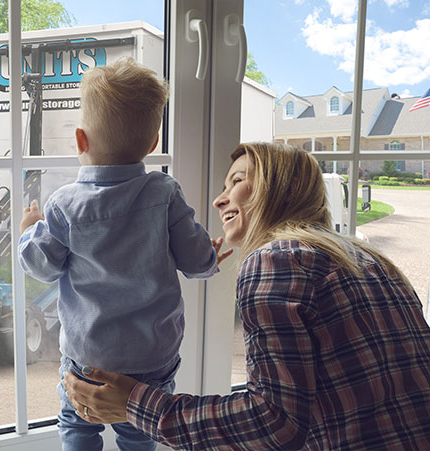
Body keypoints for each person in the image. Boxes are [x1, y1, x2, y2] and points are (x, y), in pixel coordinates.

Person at [64, 142, 430, 450]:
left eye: (237, 181)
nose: (218, 200)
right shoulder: (369, 259)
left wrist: (135, 405)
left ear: (280, 190)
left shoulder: (278, 260)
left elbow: (276, 423)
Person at [18, 57, 233, 451]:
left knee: (78, 426)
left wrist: (29, 230)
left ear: (81, 140)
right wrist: (211, 259)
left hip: (89, 355)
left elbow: (41, 267)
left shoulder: (65, 204)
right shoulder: (163, 192)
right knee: (140, 430)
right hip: (152, 355)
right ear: (152, 145)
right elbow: (195, 258)